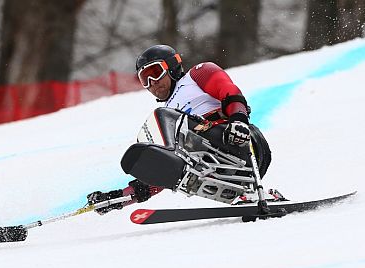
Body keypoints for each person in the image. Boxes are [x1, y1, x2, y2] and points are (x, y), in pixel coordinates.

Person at [87, 44, 271, 214]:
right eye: (145, 79)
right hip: (213, 165)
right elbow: (167, 170)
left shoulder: (196, 75)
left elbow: (228, 90)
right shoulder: (170, 112)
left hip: (241, 143)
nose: (152, 83)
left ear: (172, 66)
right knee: (158, 139)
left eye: (155, 72)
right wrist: (120, 197)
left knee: (161, 119)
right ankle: (246, 194)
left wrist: (238, 120)